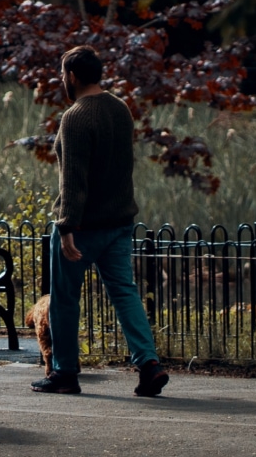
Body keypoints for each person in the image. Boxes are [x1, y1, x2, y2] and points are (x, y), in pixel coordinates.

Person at [34, 45, 169, 396]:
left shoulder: (76, 116)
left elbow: (74, 179)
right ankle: (149, 363)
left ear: (73, 76)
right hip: (120, 222)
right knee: (125, 293)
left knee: (65, 298)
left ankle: (65, 373)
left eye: (63, 75)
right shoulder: (120, 109)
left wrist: (65, 227)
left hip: (83, 227)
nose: (62, 80)